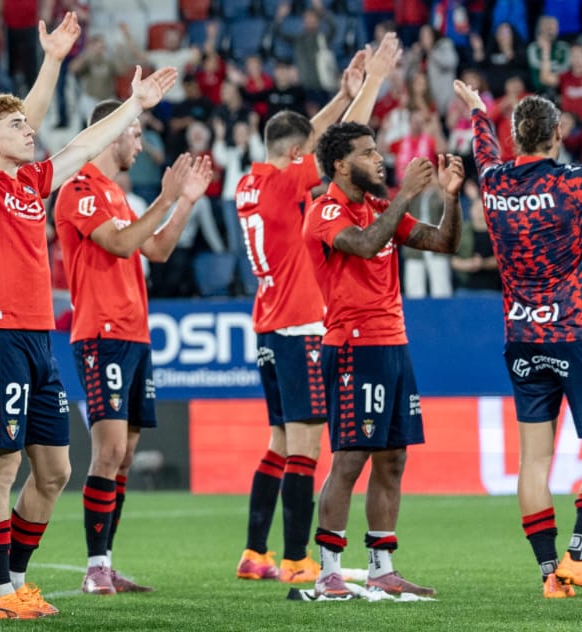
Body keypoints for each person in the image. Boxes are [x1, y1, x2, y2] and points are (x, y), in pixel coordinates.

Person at [0, 47, 178, 618]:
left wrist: (134, 105)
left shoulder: (33, 181)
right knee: (1, 466)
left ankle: (15, 579)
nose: (29, 130)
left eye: (27, 124)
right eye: (16, 125)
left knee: (55, 471)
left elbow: (83, 145)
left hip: (39, 339)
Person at [232, 39, 393, 585]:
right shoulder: (286, 184)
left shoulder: (250, 184)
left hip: (266, 323)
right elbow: (336, 148)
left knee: (279, 442)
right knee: (305, 446)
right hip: (300, 326)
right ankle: (299, 559)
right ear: (297, 153)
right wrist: (368, 86)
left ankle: (255, 553)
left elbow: (313, 137)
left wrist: (341, 95)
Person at [302, 122, 464, 598]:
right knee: (351, 457)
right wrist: (407, 194)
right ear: (340, 164)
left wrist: (450, 198)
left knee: (393, 458)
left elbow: (444, 243)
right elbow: (364, 243)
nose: (379, 159)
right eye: (368, 152)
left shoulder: (378, 207)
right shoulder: (324, 211)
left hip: (393, 343)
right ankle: (329, 571)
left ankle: (381, 567)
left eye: (377, 151)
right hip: (352, 346)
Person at [55, 109, 212, 595]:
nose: (140, 145)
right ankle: (95, 567)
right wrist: (165, 196)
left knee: (125, 455)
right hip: (101, 333)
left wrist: (185, 202)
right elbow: (121, 244)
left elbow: (157, 250)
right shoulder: (78, 188)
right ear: (111, 133)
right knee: (109, 450)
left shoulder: (116, 194)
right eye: (136, 134)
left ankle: (107, 561)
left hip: (135, 334)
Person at [454, 80, 582, 596]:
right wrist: (479, 113)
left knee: (534, 460)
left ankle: (550, 573)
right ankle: (577, 555)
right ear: (556, 133)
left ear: (515, 137)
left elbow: (483, 150)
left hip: (522, 335)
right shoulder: (571, 186)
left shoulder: (493, 184)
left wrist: (477, 112)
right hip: (572, 330)